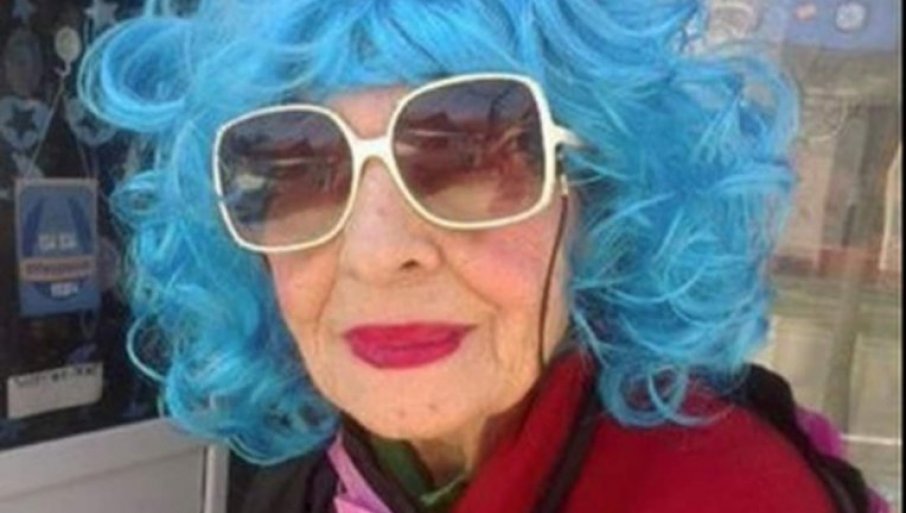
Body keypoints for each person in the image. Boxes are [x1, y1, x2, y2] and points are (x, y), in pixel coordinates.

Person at [77, 0, 879, 512]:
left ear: (598, 196)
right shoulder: (306, 482)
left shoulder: (737, 494)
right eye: (296, 167)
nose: (377, 253)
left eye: (469, 152)